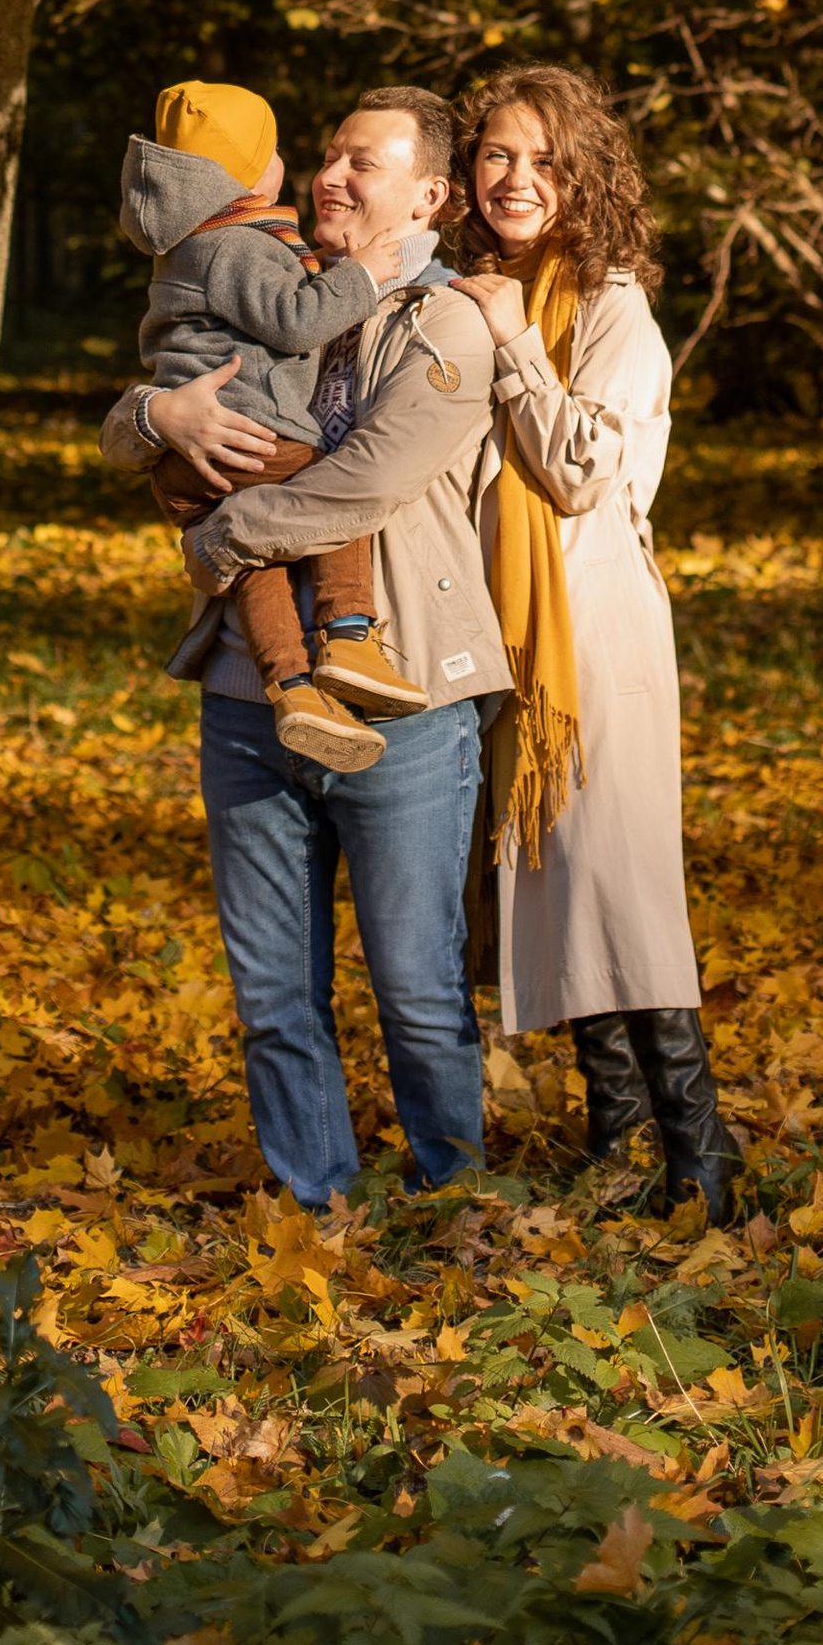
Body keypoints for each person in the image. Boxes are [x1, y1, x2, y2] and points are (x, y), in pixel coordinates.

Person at [104, 89, 509, 1209]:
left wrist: (217, 533)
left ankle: (454, 1200)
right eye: (326, 154)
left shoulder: (447, 321)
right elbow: (128, 410)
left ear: (428, 195)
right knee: (274, 991)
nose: (332, 175)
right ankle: (313, 1199)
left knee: (416, 988)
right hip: (245, 703)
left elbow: (359, 483)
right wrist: (156, 422)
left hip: (401, 698)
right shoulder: (252, 276)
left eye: (361, 163)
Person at [454, 61, 740, 1226]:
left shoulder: (609, 302)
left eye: (543, 160)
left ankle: (703, 1159)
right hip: (514, 633)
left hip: (597, 627)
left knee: (619, 889)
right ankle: (617, 1143)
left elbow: (578, 471)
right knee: (561, 885)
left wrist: (516, 342)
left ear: (584, 176)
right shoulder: (475, 287)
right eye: (496, 155)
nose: (516, 179)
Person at [122, 76, 427, 770]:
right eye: (281, 151)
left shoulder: (186, 242)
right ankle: (348, 634)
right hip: (250, 437)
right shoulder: (238, 246)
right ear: (247, 171)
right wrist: (364, 276)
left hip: (193, 460)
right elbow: (298, 320)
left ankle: (290, 684)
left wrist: (155, 417)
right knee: (333, 489)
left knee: (256, 566)